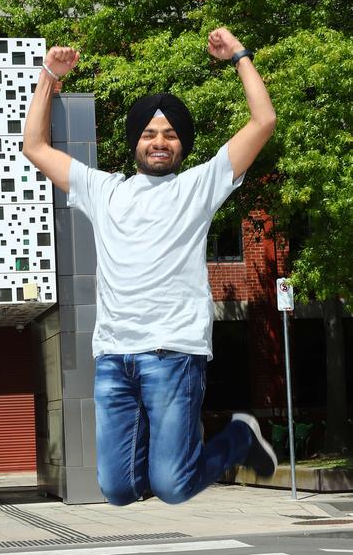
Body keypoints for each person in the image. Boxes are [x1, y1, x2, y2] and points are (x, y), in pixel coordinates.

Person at [22, 27, 278, 506]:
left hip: (173, 353)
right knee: (117, 490)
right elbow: (35, 146)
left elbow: (263, 120)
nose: (159, 142)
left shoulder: (199, 186)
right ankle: (183, 459)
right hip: (114, 358)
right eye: (149, 133)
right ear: (135, 142)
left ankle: (238, 439)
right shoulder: (103, 190)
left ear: (182, 145)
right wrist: (48, 77)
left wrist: (240, 55)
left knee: (172, 487)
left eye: (170, 134)